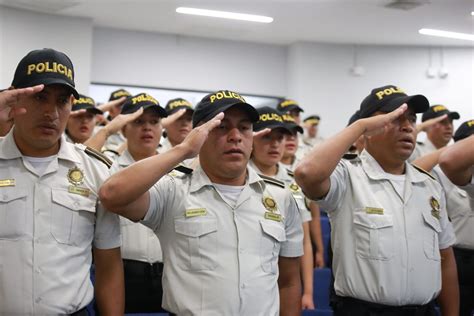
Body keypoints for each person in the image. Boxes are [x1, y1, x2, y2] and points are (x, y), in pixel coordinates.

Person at [99, 90, 303, 315]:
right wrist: (184, 150)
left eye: (244, 128)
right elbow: (111, 195)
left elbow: (289, 282)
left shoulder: (280, 198)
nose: (236, 136)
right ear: (200, 134)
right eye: (222, 127)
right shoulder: (174, 190)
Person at [295, 85, 459, 316]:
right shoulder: (348, 176)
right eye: (394, 118)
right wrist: (360, 126)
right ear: (368, 128)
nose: (407, 126)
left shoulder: (429, 185)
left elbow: (446, 259)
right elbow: (305, 173)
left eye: (411, 119)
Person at [0, 48, 124, 314]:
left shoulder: (95, 171)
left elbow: (108, 265)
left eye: (62, 101)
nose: (51, 112)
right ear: (13, 98)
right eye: (39, 97)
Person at [248, 106, 314, 309]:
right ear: (251, 139)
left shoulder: (295, 181)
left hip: (285, 278)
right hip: (251, 279)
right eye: (266, 138)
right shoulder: (237, 177)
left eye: (280, 138)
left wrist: (308, 292)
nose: (275, 145)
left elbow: (304, 242)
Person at [110, 93, 170, 313]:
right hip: (123, 277)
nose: (148, 128)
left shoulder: (177, 172)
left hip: (169, 278)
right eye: (139, 122)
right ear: (124, 128)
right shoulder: (110, 170)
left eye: (154, 122)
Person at [101, 88, 131, 156]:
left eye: (128, 105)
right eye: (120, 105)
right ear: (110, 110)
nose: (125, 109)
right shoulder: (97, 131)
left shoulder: (143, 130)